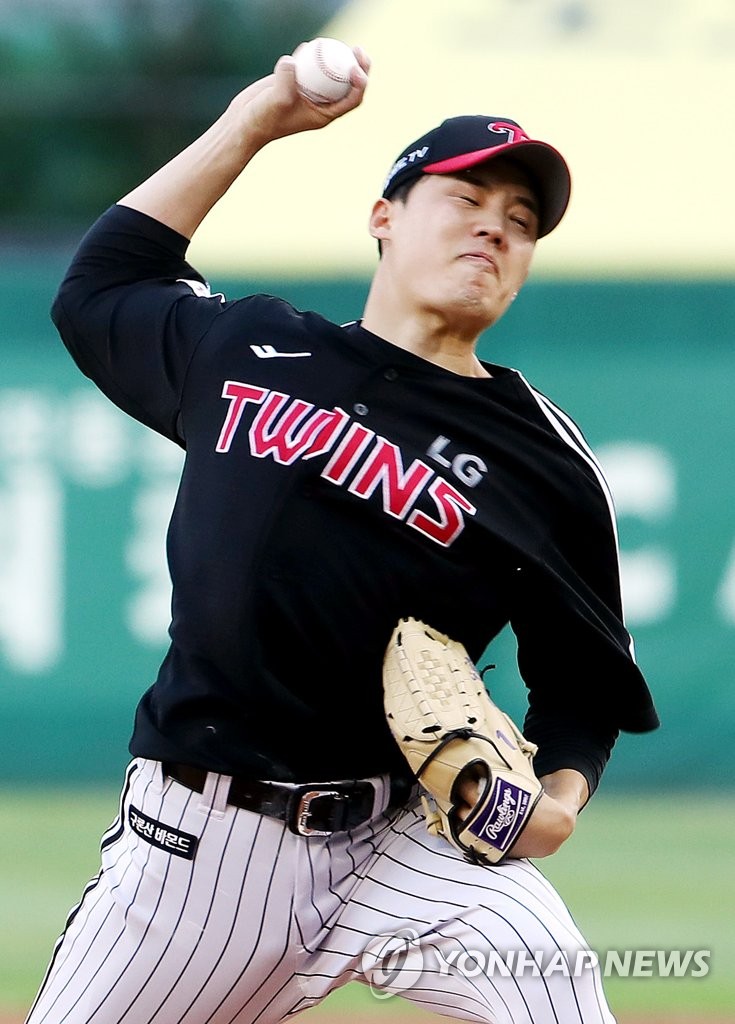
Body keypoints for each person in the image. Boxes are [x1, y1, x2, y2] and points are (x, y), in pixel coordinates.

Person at [28, 43, 659, 1024]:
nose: (494, 230)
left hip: (408, 842)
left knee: (551, 981)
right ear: (384, 216)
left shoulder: (547, 462)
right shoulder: (251, 346)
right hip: (203, 849)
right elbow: (102, 286)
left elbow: (584, 684)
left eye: (520, 222)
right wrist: (256, 120)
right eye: (464, 200)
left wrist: (559, 803)